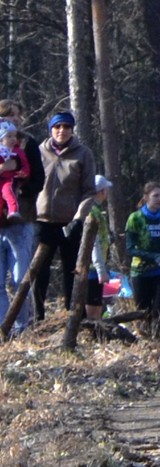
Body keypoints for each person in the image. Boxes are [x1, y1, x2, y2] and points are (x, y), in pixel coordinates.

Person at [33, 111, 97, 320]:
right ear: (51, 129)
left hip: (70, 222)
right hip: (42, 220)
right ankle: (37, 316)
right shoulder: (39, 151)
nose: (62, 131)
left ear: (72, 130)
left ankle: (73, 317)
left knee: (72, 271)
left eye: (66, 127)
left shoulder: (83, 154)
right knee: (39, 272)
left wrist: (79, 217)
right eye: (57, 127)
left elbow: (89, 190)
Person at [0, 100, 46, 330]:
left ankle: (22, 328)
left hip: (21, 219)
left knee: (21, 279)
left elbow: (38, 179)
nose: (15, 119)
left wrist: (19, 188)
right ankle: (2, 329)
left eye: (18, 115)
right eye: (9, 115)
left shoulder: (28, 143)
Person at [126, 181, 160, 338]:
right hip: (140, 271)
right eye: (155, 195)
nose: (159, 199)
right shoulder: (135, 218)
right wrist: (154, 257)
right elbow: (130, 248)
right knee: (143, 309)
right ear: (146, 197)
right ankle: (144, 339)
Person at [86, 175, 114, 320]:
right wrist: (101, 270)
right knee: (94, 309)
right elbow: (93, 243)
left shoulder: (92, 209)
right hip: (92, 269)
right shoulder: (93, 212)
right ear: (102, 191)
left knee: (96, 307)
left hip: (94, 267)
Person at [0, 121, 29, 220]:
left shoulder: (17, 151)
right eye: (9, 136)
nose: (13, 139)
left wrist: (24, 172)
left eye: (14, 136)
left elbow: (24, 164)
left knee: (9, 192)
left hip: (9, 178)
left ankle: (13, 212)